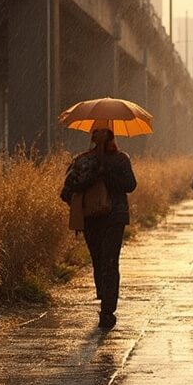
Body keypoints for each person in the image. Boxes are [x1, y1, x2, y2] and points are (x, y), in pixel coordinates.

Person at [60, 123, 137, 329]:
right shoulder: (111, 160)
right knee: (105, 262)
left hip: (100, 219)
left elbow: (67, 192)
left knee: (104, 262)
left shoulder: (87, 160)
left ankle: (106, 307)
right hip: (106, 218)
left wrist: (101, 174)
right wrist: (98, 174)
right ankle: (106, 303)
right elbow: (67, 191)